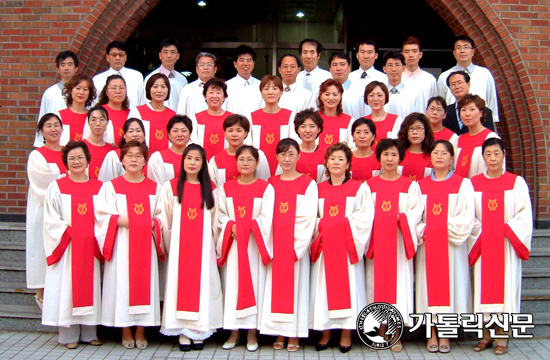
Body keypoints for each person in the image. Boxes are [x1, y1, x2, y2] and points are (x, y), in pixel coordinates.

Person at [95, 140, 163, 350]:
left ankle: (141, 329)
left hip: (146, 244)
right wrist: (124, 222)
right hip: (122, 242)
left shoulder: (155, 188)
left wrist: (152, 223)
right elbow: (102, 216)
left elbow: (162, 216)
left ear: (145, 160)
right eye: (129, 155)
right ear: (122, 160)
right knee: (122, 282)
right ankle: (125, 328)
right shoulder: (111, 187)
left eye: (139, 156)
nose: (134, 159)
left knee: (145, 281)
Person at [469, 138, 532, 355]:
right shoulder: (473, 184)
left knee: (505, 289)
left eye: (496, 153)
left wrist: (505, 228)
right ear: (483, 157)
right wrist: (482, 230)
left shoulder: (516, 183)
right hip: (483, 243)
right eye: (488, 154)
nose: (493, 158)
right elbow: (469, 216)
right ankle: (485, 336)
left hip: (506, 244)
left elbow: (525, 215)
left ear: (504, 154)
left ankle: (502, 337)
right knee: (482, 289)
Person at [155, 144, 222, 351]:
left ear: (203, 164)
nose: (192, 163)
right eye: (189, 158)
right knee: (179, 284)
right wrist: (167, 242)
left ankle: (199, 329)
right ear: (182, 161)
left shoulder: (210, 189)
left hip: (203, 247)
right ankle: (182, 330)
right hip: (178, 247)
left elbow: (215, 219)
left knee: (203, 285)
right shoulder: (171, 187)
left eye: (197, 159)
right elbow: (163, 217)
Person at [309, 142, 373, 353]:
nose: (336, 162)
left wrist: (340, 225)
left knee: (350, 286)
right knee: (324, 288)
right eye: (332, 158)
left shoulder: (359, 188)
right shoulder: (317, 190)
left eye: (341, 159)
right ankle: (325, 330)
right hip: (325, 247)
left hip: (347, 248)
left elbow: (364, 218)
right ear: (326, 163)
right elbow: (310, 218)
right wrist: (323, 225)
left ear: (348, 164)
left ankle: (346, 331)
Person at [42, 141, 103, 349]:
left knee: (90, 286)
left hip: (90, 246)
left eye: (80, 157)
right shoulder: (57, 187)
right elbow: (50, 218)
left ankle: (89, 332)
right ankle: (69, 336)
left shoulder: (99, 187)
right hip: (68, 246)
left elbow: (104, 217)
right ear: (65, 162)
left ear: (88, 160)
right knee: (67, 287)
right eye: (72, 158)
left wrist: (94, 235)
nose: (76, 162)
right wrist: (69, 233)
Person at [416, 140, 475, 354]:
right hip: (428, 244)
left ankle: (446, 334)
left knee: (451, 286)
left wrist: (440, 227)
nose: (439, 156)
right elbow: (415, 217)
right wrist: (424, 229)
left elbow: (466, 217)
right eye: (435, 152)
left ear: (452, 158)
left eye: (444, 153)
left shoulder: (462, 184)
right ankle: (431, 332)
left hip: (451, 246)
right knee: (428, 288)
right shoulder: (420, 186)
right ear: (429, 157)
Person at [259, 139, 318, 352]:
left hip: (295, 247)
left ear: (298, 156)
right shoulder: (271, 183)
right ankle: (278, 331)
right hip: (274, 244)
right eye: (283, 154)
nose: (287, 159)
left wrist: (296, 245)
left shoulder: (307, 183)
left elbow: (308, 217)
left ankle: (294, 332)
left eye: (291, 154)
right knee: (274, 289)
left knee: (296, 289)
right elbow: (264, 215)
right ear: (276, 157)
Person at [366, 138, 423, 353]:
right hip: (377, 245)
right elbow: (363, 216)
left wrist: (401, 218)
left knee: (398, 288)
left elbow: (416, 213)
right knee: (375, 287)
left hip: (399, 244)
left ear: (400, 158)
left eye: (393, 155)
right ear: (379, 157)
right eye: (385, 154)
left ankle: (394, 335)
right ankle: (376, 334)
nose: (389, 159)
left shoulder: (410, 186)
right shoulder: (369, 186)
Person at [217, 145, 275, 352]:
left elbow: (267, 217)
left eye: (250, 159)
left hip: (254, 245)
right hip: (234, 245)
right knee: (233, 284)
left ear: (257, 163)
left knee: (255, 284)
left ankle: (251, 331)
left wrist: (251, 227)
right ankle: (233, 331)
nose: (245, 163)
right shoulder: (226, 188)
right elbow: (220, 215)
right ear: (236, 163)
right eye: (241, 159)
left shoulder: (266, 188)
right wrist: (231, 226)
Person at [26, 114, 68, 310]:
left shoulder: (69, 152)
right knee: (42, 251)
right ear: (41, 131)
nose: (53, 129)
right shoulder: (37, 156)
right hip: (43, 211)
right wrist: (64, 179)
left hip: (66, 212)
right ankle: (42, 294)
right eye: (48, 126)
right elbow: (42, 182)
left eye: (56, 125)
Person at [437, 35, 499, 123]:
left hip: (480, 122)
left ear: (473, 52)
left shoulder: (484, 73)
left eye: (466, 47)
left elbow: (491, 99)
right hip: (452, 123)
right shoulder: (444, 76)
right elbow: (441, 104)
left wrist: (492, 120)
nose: (462, 51)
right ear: (454, 53)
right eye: (458, 48)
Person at [208, 115, 269, 188]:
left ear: (246, 133)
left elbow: (264, 182)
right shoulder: (216, 160)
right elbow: (213, 188)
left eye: (239, 130)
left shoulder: (258, 155)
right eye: (230, 130)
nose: (234, 134)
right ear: (224, 133)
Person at [251, 75, 294, 176]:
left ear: (281, 92)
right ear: (261, 93)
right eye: (266, 88)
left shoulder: (290, 117)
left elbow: (294, 146)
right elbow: (249, 147)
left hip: (284, 168)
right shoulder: (252, 117)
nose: (270, 92)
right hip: (258, 169)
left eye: (275, 88)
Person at [35, 51, 79, 147]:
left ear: (76, 68)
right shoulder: (50, 93)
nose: (66, 68)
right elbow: (43, 118)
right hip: (54, 143)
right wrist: (40, 144)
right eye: (63, 65)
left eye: (70, 64)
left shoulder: (82, 92)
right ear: (58, 69)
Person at [188, 78, 235, 161]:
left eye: (218, 92)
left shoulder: (232, 120)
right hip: (201, 165)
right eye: (211, 92)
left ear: (224, 97)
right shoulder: (195, 119)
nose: (215, 96)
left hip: (225, 163)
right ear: (205, 96)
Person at [454, 94, 500, 178]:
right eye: (463, 110)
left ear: (481, 112)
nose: (467, 114)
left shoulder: (490, 138)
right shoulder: (458, 139)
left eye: (472, 109)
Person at [128, 73, 176, 154]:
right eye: (155, 87)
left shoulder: (173, 116)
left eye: (163, 87)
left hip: (165, 162)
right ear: (149, 89)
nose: (159, 90)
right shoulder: (137, 112)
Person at [93, 41, 144, 108]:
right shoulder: (98, 79)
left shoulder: (136, 76)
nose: (117, 58)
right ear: (107, 57)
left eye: (121, 55)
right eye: (114, 55)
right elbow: (95, 104)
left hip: (133, 116)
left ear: (125, 57)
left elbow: (142, 101)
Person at [85, 74, 131, 145]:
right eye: (114, 88)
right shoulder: (98, 112)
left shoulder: (131, 114)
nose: (118, 91)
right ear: (106, 91)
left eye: (121, 88)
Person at [144, 38, 188, 111]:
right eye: (165, 52)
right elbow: (146, 102)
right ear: (160, 55)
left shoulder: (182, 80)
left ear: (178, 56)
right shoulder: (151, 78)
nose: (169, 56)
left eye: (173, 52)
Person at [98, 118, 147, 182]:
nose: (135, 134)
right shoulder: (114, 156)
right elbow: (105, 182)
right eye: (131, 131)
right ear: (124, 135)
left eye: (138, 131)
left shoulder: (151, 157)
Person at [285, 109, 328, 183]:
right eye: (303, 126)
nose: (307, 130)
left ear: (319, 129)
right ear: (297, 129)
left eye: (312, 126)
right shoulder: (290, 152)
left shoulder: (326, 154)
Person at [147, 115, 192, 185]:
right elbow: (157, 187)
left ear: (190, 134)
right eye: (175, 131)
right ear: (169, 134)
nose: (179, 134)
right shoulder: (158, 158)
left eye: (184, 131)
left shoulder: (197, 157)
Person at [54, 74, 97, 146]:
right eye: (78, 88)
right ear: (70, 91)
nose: (81, 92)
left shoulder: (93, 117)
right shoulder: (59, 116)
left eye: (85, 89)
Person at [224, 45, 262, 119]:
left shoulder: (261, 86)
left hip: (256, 128)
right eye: (241, 60)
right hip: (233, 128)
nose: (245, 63)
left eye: (249, 60)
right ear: (235, 64)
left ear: (253, 64)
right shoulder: (226, 87)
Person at [316, 79, 354, 152]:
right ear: (320, 96)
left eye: (335, 94)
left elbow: (352, 147)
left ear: (340, 97)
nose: (331, 98)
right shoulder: (313, 119)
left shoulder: (349, 121)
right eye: (327, 94)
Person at [401, 37, 437, 113]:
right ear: (402, 55)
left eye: (414, 51)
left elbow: (434, 106)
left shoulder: (429, 79)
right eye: (407, 52)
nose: (410, 55)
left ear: (420, 54)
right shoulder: (396, 78)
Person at [362, 81, 404, 147]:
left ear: (386, 97)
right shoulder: (362, 122)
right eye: (371, 95)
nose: (375, 99)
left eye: (379, 95)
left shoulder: (397, 121)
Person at [177, 52, 217, 117]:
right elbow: (181, 115)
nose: (206, 67)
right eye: (202, 65)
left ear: (215, 69)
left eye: (209, 64)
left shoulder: (224, 89)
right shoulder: (187, 89)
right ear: (196, 69)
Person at [328, 52, 366, 119]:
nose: (338, 68)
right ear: (330, 69)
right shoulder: (322, 90)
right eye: (334, 65)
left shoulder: (360, 90)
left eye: (342, 64)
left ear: (349, 68)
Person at [397, 113, 434, 181]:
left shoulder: (433, 155)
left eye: (419, 128)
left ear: (426, 131)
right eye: (411, 128)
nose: (414, 132)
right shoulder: (398, 154)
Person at [382, 51, 419, 119]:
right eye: (390, 65)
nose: (393, 69)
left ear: (403, 68)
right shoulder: (380, 92)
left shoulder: (413, 92)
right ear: (384, 69)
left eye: (397, 65)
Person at [83, 106, 115, 179]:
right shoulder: (81, 147)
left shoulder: (112, 150)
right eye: (93, 120)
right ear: (88, 122)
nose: (98, 123)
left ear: (107, 122)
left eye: (102, 119)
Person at [350, 118, 380, 182]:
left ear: (373, 136)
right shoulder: (347, 158)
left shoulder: (380, 158)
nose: (362, 136)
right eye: (358, 132)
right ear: (353, 136)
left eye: (366, 132)